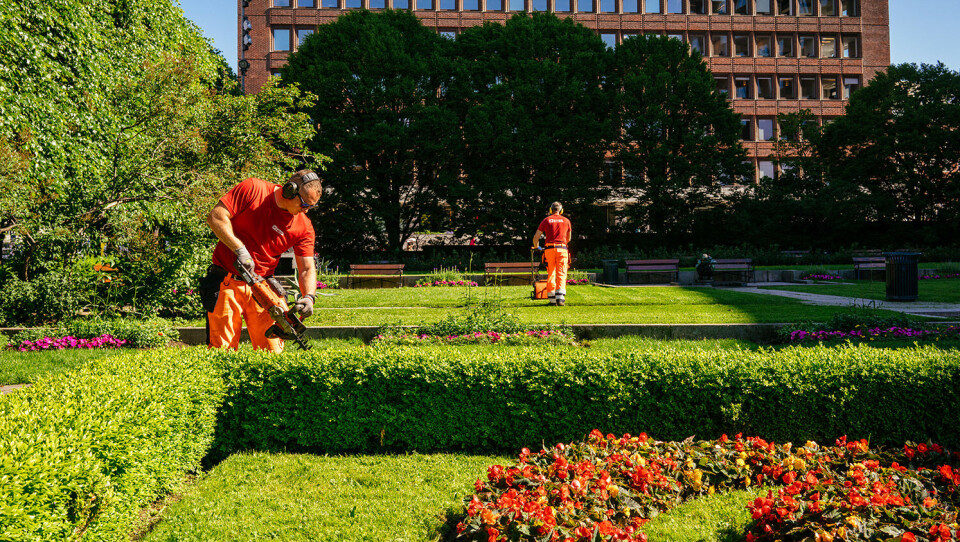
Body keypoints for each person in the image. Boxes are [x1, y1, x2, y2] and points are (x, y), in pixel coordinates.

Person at [199, 170, 321, 352]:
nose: (305, 210)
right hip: (226, 281)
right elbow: (216, 217)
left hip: (262, 286)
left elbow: (306, 267)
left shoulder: (303, 226)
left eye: (311, 207)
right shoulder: (253, 189)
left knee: (272, 351)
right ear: (289, 191)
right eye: (304, 204)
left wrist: (309, 297)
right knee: (221, 350)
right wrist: (239, 249)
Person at [531, 201, 572, 306]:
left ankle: (552, 298)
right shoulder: (566, 221)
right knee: (561, 272)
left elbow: (536, 237)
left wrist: (537, 246)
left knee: (551, 272)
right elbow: (569, 238)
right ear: (561, 210)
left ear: (550, 210)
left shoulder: (546, 220)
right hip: (562, 249)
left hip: (549, 249)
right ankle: (560, 297)